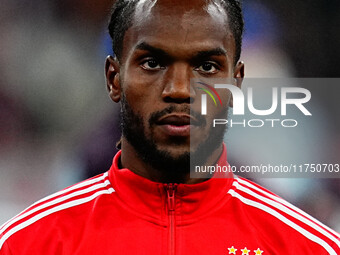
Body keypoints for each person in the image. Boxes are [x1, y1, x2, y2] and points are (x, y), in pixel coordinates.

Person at [0, 0, 339, 254]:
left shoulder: (308, 245)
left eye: (206, 65)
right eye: (152, 63)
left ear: (236, 82)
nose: (179, 88)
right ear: (113, 78)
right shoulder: (27, 243)